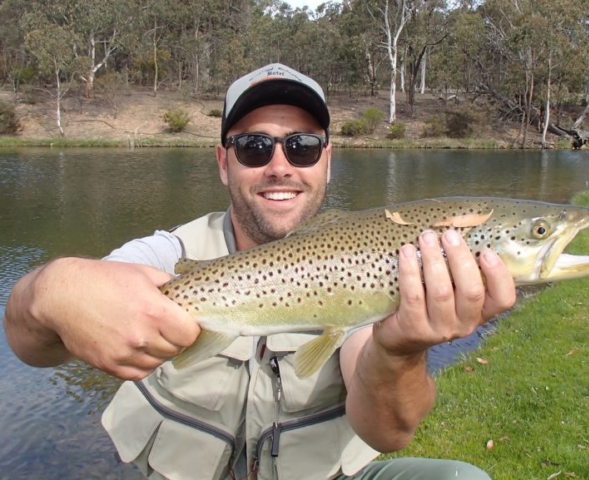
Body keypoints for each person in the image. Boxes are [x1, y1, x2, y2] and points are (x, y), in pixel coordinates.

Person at [3, 63, 516, 480]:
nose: (280, 165)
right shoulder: (167, 256)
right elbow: (29, 340)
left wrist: (400, 349)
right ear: (224, 162)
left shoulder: (377, 263)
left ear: (327, 161)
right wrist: (52, 288)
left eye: (303, 146)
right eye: (254, 146)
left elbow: (388, 431)